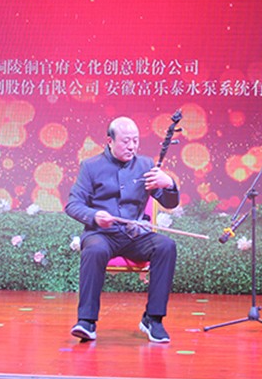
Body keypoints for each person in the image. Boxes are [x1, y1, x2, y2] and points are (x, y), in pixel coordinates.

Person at [65, 116, 180, 343]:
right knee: (95, 250)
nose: (132, 146)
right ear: (110, 140)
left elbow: (169, 203)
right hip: (101, 234)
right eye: (126, 141)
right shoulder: (91, 166)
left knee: (166, 246)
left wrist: (169, 184)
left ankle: (153, 319)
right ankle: (86, 321)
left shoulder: (146, 165)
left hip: (134, 235)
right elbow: (72, 204)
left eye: (135, 141)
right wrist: (94, 216)